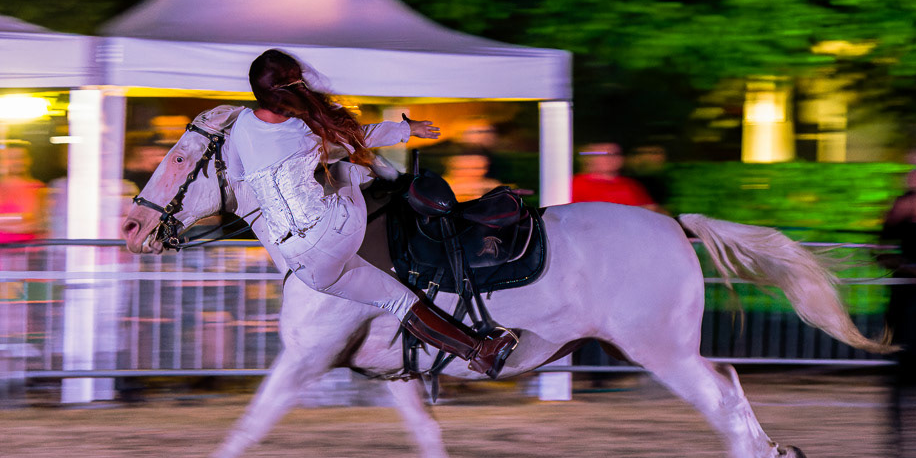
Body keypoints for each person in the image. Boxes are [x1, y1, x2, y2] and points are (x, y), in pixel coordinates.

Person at [230, 49, 518, 377]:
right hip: (337, 232)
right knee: (349, 170)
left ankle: (480, 352)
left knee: (397, 301)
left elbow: (239, 178)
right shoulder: (303, 129)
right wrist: (406, 131)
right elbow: (360, 137)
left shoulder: (240, 126)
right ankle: (399, 185)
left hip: (299, 262)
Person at [879, 146, 916, 458]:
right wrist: (912, 270)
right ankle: (899, 448)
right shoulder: (900, 208)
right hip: (909, 301)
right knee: (904, 376)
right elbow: (880, 252)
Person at [571, 142, 661, 212]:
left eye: (615, 154)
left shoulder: (631, 185)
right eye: (601, 154)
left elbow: (652, 211)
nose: (609, 159)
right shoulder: (574, 185)